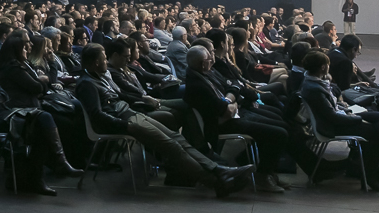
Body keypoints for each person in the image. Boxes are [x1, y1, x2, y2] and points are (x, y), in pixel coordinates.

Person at [73, 42, 252, 196]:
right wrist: (125, 125)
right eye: (104, 59)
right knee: (171, 146)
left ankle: (219, 170)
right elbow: (97, 116)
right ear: (96, 62)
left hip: (130, 114)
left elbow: (121, 97)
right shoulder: (87, 84)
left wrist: (143, 100)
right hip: (126, 122)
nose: (107, 61)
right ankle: (217, 181)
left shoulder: (99, 77)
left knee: (178, 138)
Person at [0, 36, 80, 195]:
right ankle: (53, 167)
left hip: (4, 113)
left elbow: (3, 94)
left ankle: (37, 178)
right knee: (43, 118)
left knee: (42, 123)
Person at [179, 44, 290, 193]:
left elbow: (233, 85)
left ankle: (264, 170)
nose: (212, 59)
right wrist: (231, 100)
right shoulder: (196, 85)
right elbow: (225, 110)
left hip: (235, 115)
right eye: (209, 58)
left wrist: (229, 100)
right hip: (222, 124)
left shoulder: (208, 72)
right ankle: (263, 176)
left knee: (281, 126)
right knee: (279, 134)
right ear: (203, 63)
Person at [300, 51, 379, 176]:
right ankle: (371, 172)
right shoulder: (316, 89)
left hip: (339, 117)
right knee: (378, 131)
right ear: (323, 67)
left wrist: (349, 111)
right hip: (333, 126)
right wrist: (357, 118)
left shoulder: (313, 83)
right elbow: (333, 117)